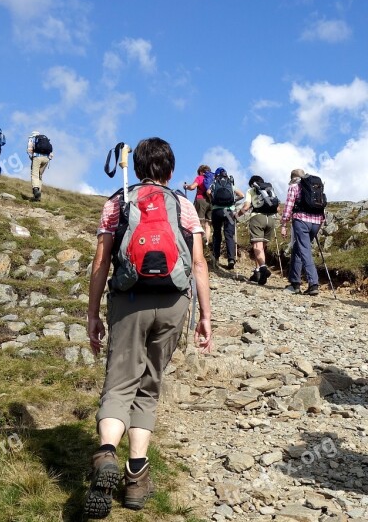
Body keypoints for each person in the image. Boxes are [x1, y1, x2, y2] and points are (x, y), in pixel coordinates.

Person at [85, 137, 212, 517]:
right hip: (174, 303)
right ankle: (136, 478)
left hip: (129, 300)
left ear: (137, 168)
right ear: (170, 171)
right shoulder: (185, 206)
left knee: (119, 383)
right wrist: (205, 316)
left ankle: (107, 454)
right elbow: (200, 264)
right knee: (150, 386)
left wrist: (92, 314)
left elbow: (100, 263)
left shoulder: (118, 201)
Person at [280, 169, 324, 296]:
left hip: (301, 221)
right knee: (298, 249)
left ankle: (313, 284)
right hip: (316, 222)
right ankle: (295, 283)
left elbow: (288, 206)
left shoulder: (294, 187)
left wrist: (284, 224)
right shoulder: (316, 185)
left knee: (304, 250)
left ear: (293, 178)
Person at [235, 175, 279, 284]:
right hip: (271, 219)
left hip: (258, 218)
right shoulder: (270, 190)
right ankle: (258, 273)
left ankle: (263, 268)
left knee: (256, 246)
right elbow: (277, 208)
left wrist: (236, 215)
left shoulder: (251, 190)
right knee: (262, 248)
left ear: (252, 184)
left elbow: (246, 207)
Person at [209, 167, 244, 270]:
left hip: (217, 211)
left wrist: (213, 199)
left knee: (216, 233)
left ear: (216, 175)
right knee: (229, 234)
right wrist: (233, 201)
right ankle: (231, 259)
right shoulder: (231, 184)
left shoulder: (214, 183)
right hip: (228, 211)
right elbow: (241, 195)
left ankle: (216, 258)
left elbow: (207, 192)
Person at [183, 164, 212, 246]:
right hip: (210, 201)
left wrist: (186, 186)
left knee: (200, 221)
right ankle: (206, 243)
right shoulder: (212, 179)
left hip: (201, 200)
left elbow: (192, 187)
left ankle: (201, 243)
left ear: (200, 171)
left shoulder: (199, 178)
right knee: (208, 224)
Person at [27, 131, 53, 202]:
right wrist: (48, 159)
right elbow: (51, 153)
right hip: (46, 159)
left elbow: (29, 150)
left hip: (37, 157)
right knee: (40, 175)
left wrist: (32, 158)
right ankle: (38, 196)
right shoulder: (45, 139)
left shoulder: (32, 138)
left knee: (35, 174)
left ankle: (35, 190)